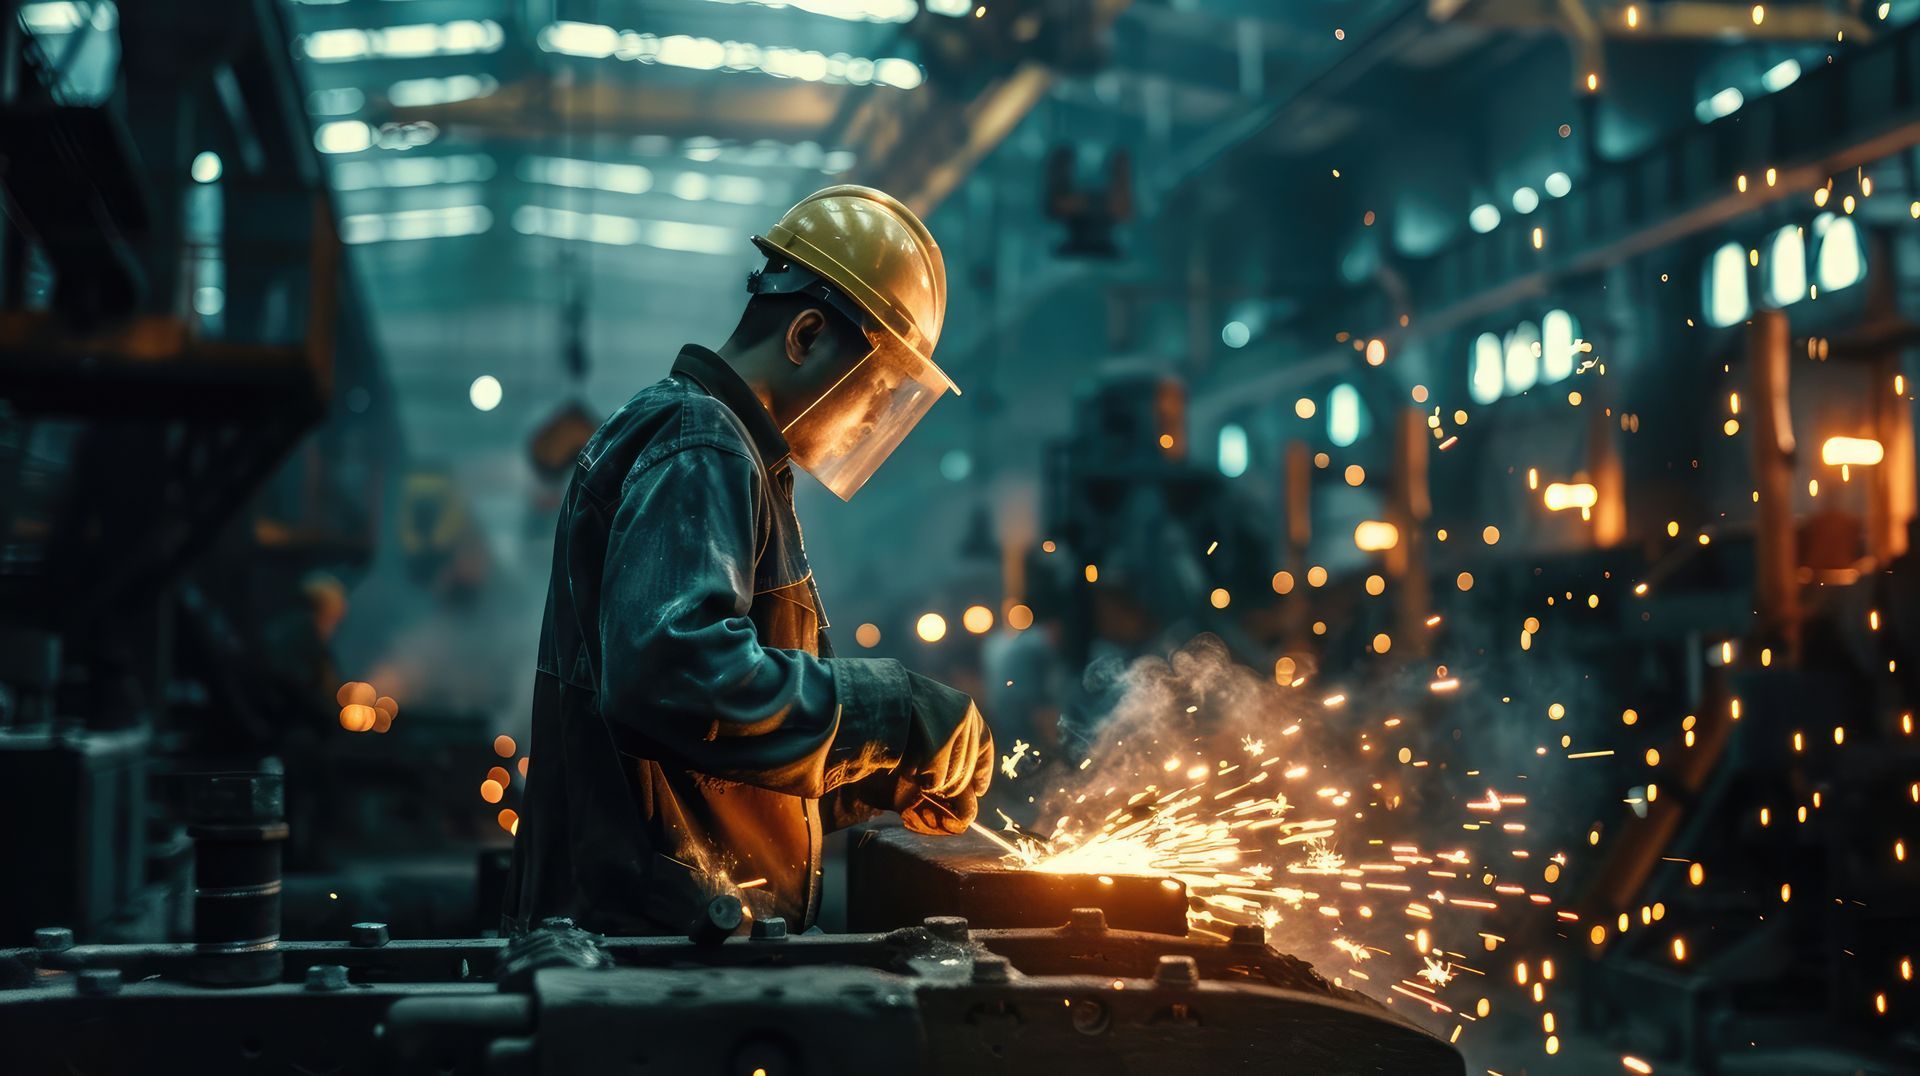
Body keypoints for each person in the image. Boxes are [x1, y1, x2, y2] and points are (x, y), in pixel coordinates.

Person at [503, 186, 995, 935]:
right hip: (647, 949)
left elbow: (704, 759)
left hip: (663, 933)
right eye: (875, 391)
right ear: (805, 334)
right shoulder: (700, 441)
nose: (870, 418)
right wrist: (893, 712)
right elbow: (671, 675)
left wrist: (876, 778)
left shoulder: (730, 457)